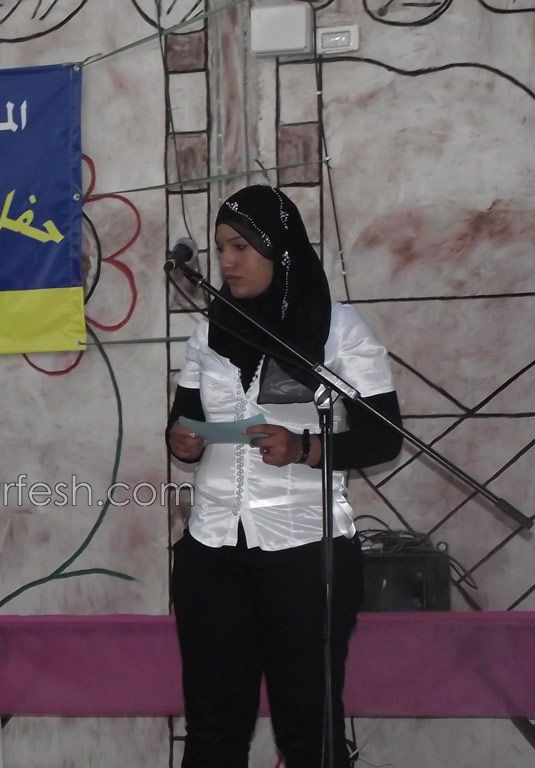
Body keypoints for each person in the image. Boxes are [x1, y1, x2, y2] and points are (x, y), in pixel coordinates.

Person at [167, 185, 402, 768]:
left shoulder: (338, 329)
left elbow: (384, 437)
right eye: (221, 247)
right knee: (213, 731)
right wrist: (182, 440)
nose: (227, 261)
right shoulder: (209, 330)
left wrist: (307, 448)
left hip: (305, 555)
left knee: (309, 732)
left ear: (281, 250)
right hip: (212, 553)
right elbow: (185, 419)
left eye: (242, 247)